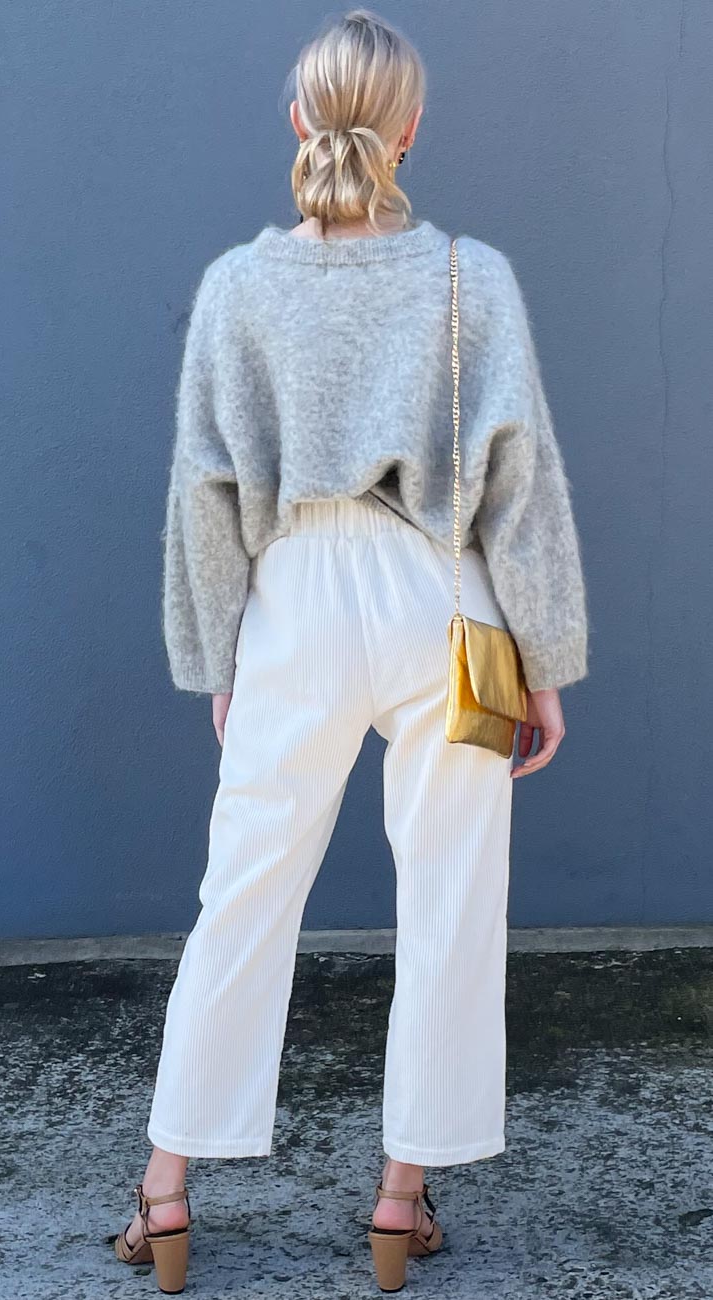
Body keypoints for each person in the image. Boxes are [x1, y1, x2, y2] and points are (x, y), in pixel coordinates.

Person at [113, 7, 589, 1293]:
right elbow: (522, 488)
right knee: (452, 901)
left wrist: (217, 659)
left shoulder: (239, 285)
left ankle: (166, 1192)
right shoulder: (471, 278)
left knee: (243, 891)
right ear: (413, 126)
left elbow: (204, 495)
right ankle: (398, 1200)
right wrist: (545, 663)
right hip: (452, 602)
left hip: (296, 596)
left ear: (297, 118)